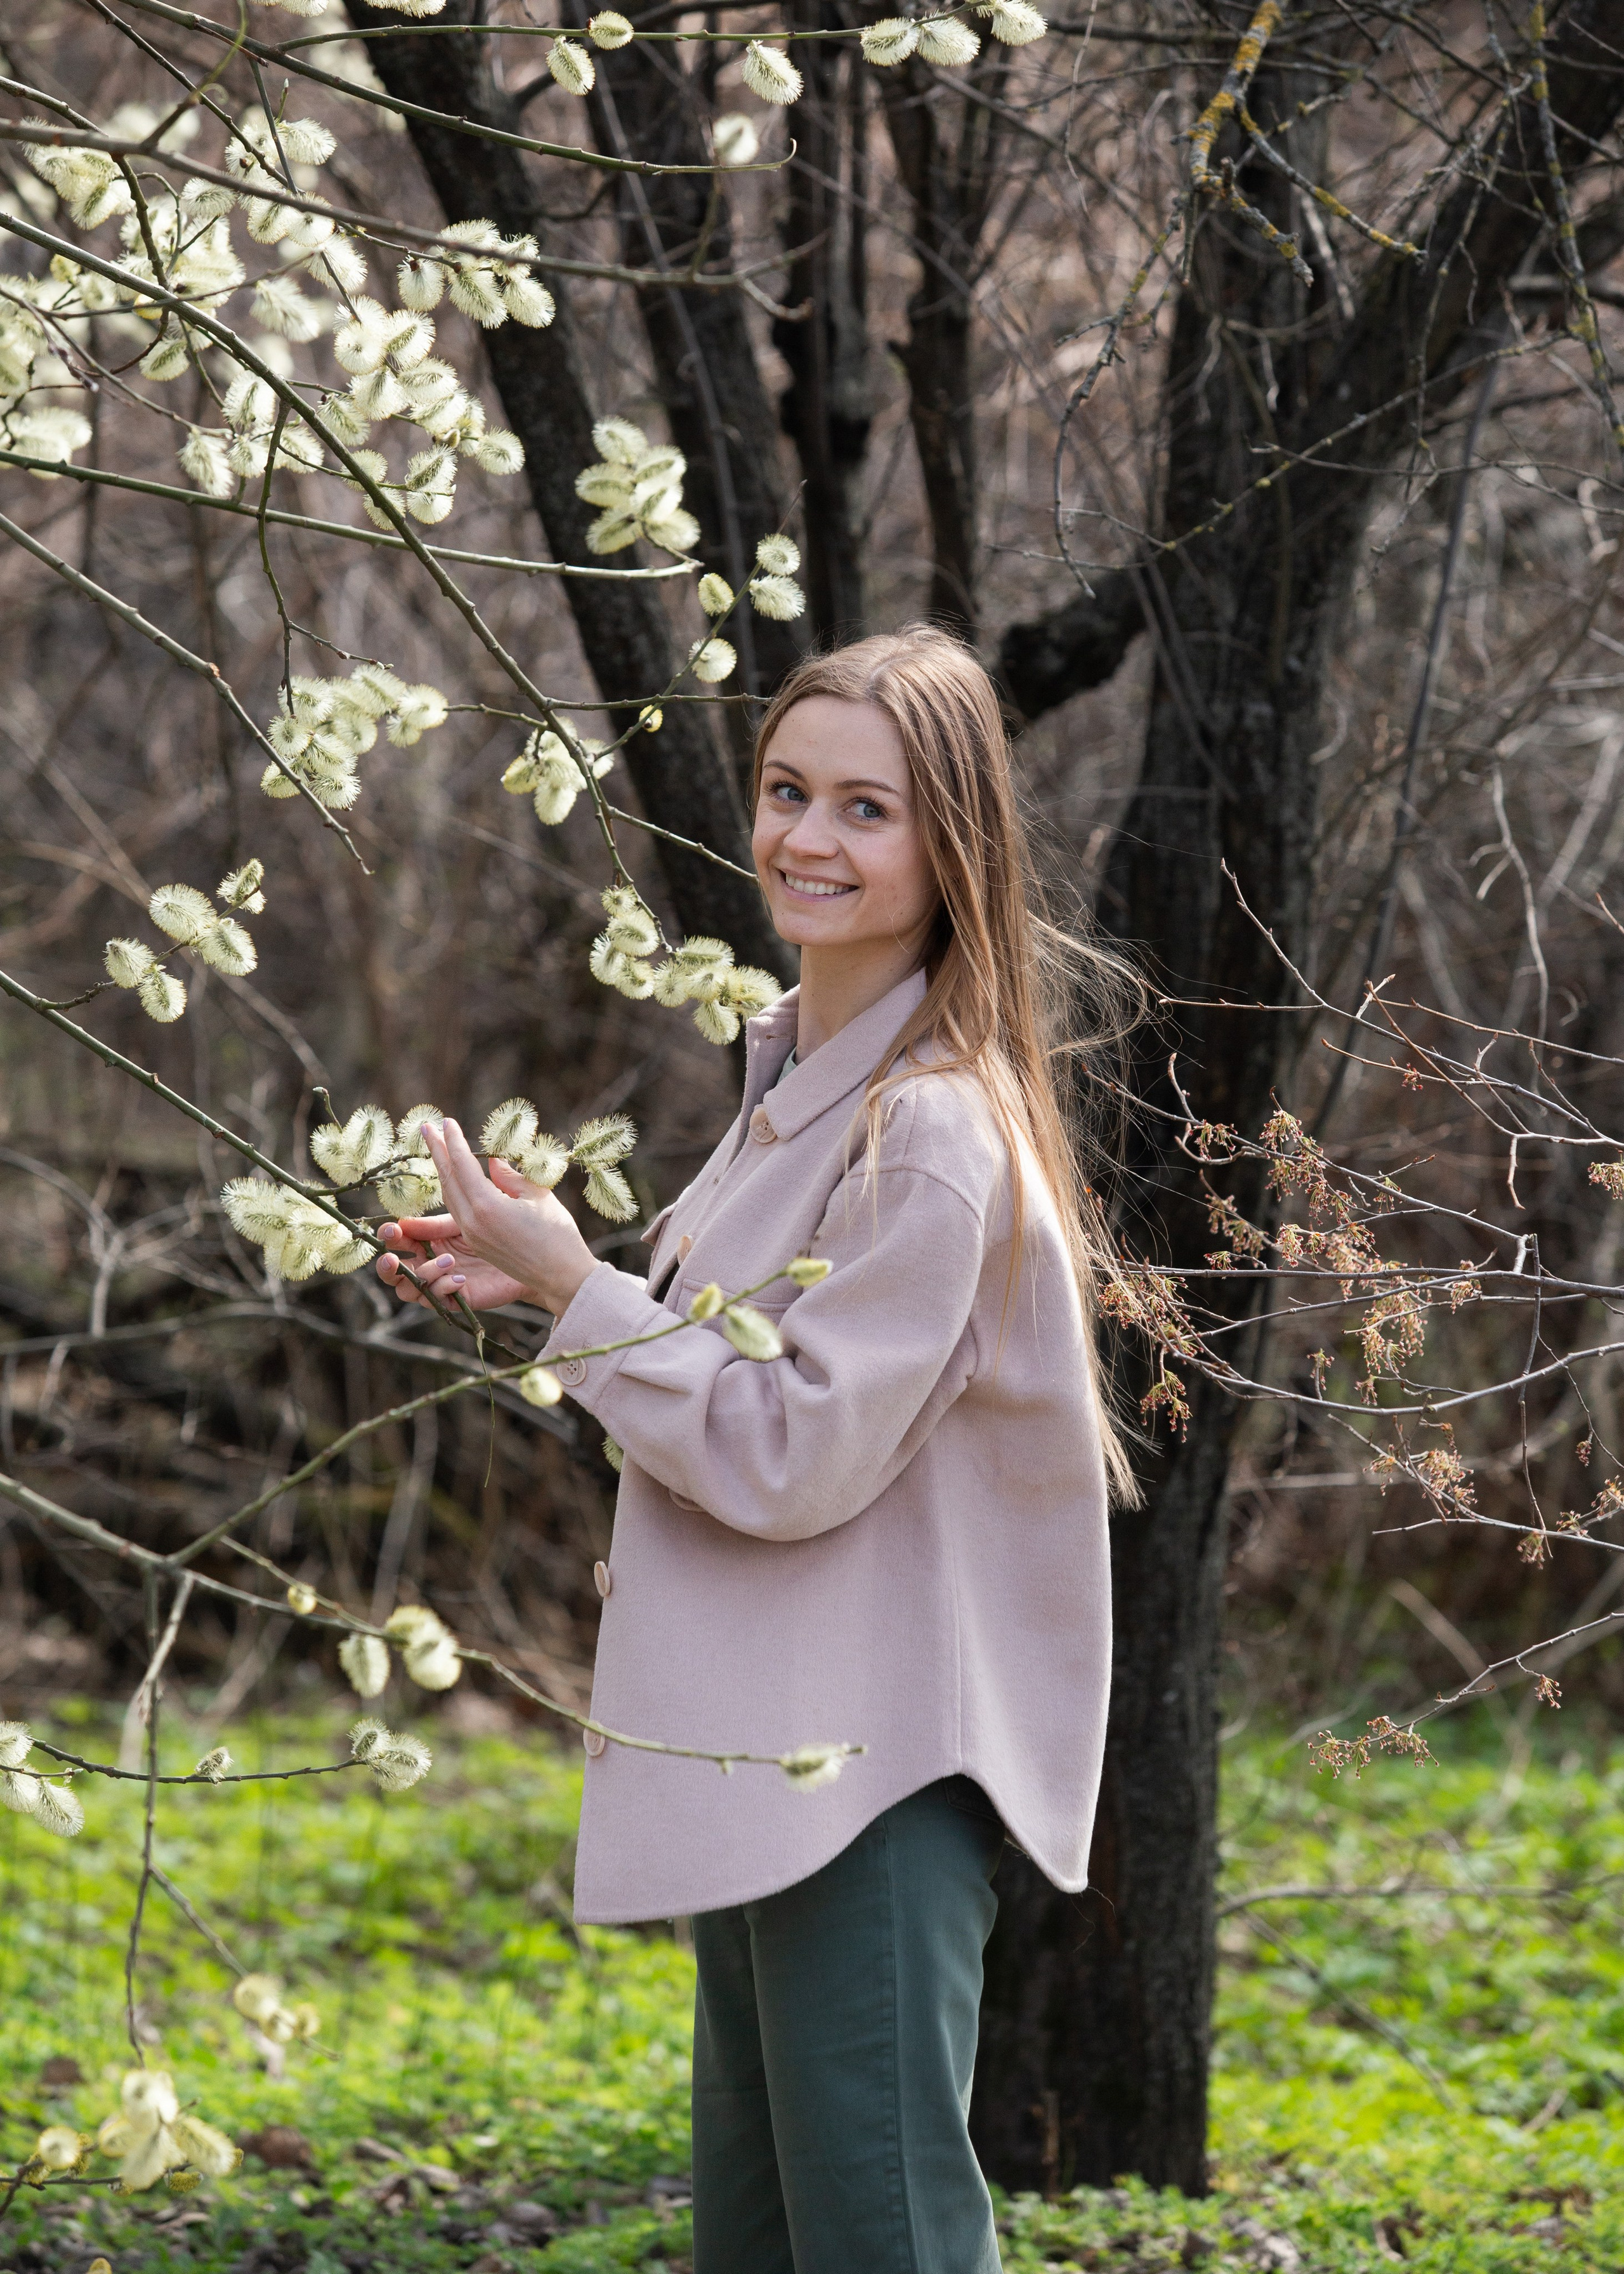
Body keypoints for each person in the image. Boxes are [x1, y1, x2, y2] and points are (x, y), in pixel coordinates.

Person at [377, 625, 1139, 2274]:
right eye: (791, 790)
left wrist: (576, 1281)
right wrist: (537, 1287)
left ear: (954, 843)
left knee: (884, 2250)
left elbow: (791, 1454)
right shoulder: (804, 1083)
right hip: (783, 1768)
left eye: (868, 808)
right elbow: (739, 1384)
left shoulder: (926, 1130)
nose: (807, 837)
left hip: (862, 1792)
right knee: (768, 2248)